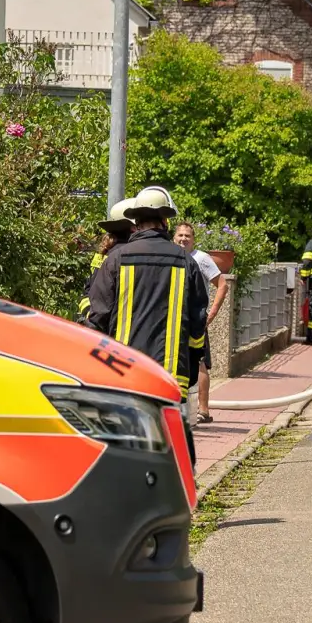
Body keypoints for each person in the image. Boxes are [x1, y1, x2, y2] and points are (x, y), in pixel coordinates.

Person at [85, 186, 209, 465]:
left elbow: (98, 318)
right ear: (165, 222)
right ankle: (179, 496)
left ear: (136, 223)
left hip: (125, 372)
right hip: (172, 372)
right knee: (173, 440)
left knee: (127, 442)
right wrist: (190, 363)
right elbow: (198, 324)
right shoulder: (186, 261)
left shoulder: (116, 259)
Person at [172, 221, 230, 424]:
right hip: (175, 319)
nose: (183, 239)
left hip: (196, 319)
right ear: (173, 237)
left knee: (200, 361)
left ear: (193, 239)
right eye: (180, 235)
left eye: (187, 236)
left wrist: (210, 315)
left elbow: (222, 285)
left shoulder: (201, 258)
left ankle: (203, 410)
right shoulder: (171, 256)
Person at [78, 198, 136, 321]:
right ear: (134, 228)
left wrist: (89, 314)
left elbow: (88, 292)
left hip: (96, 321)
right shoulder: (127, 255)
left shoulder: (105, 254)